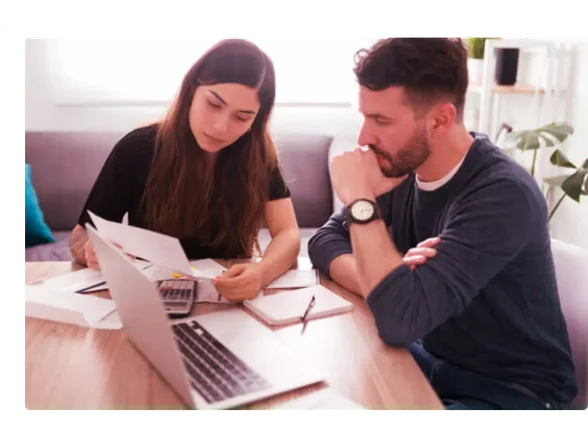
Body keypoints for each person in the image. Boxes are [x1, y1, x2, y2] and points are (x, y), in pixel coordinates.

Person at [307, 34, 578, 412]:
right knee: (316, 393)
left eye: (381, 120)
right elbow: (323, 241)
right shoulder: (401, 168)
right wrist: (393, 279)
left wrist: (361, 202)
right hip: (431, 361)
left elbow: (399, 320)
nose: (364, 137)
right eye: (365, 117)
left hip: (513, 392)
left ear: (440, 118)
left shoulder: (502, 194)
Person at [70, 38, 301, 301]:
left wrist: (261, 273)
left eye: (242, 117)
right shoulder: (137, 148)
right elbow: (81, 235)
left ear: (256, 119)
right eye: (214, 104)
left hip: (228, 298)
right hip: (151, 297)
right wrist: (91, 250)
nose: (220, 127)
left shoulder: (258, 155)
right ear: (191, 90)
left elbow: (288, 232)